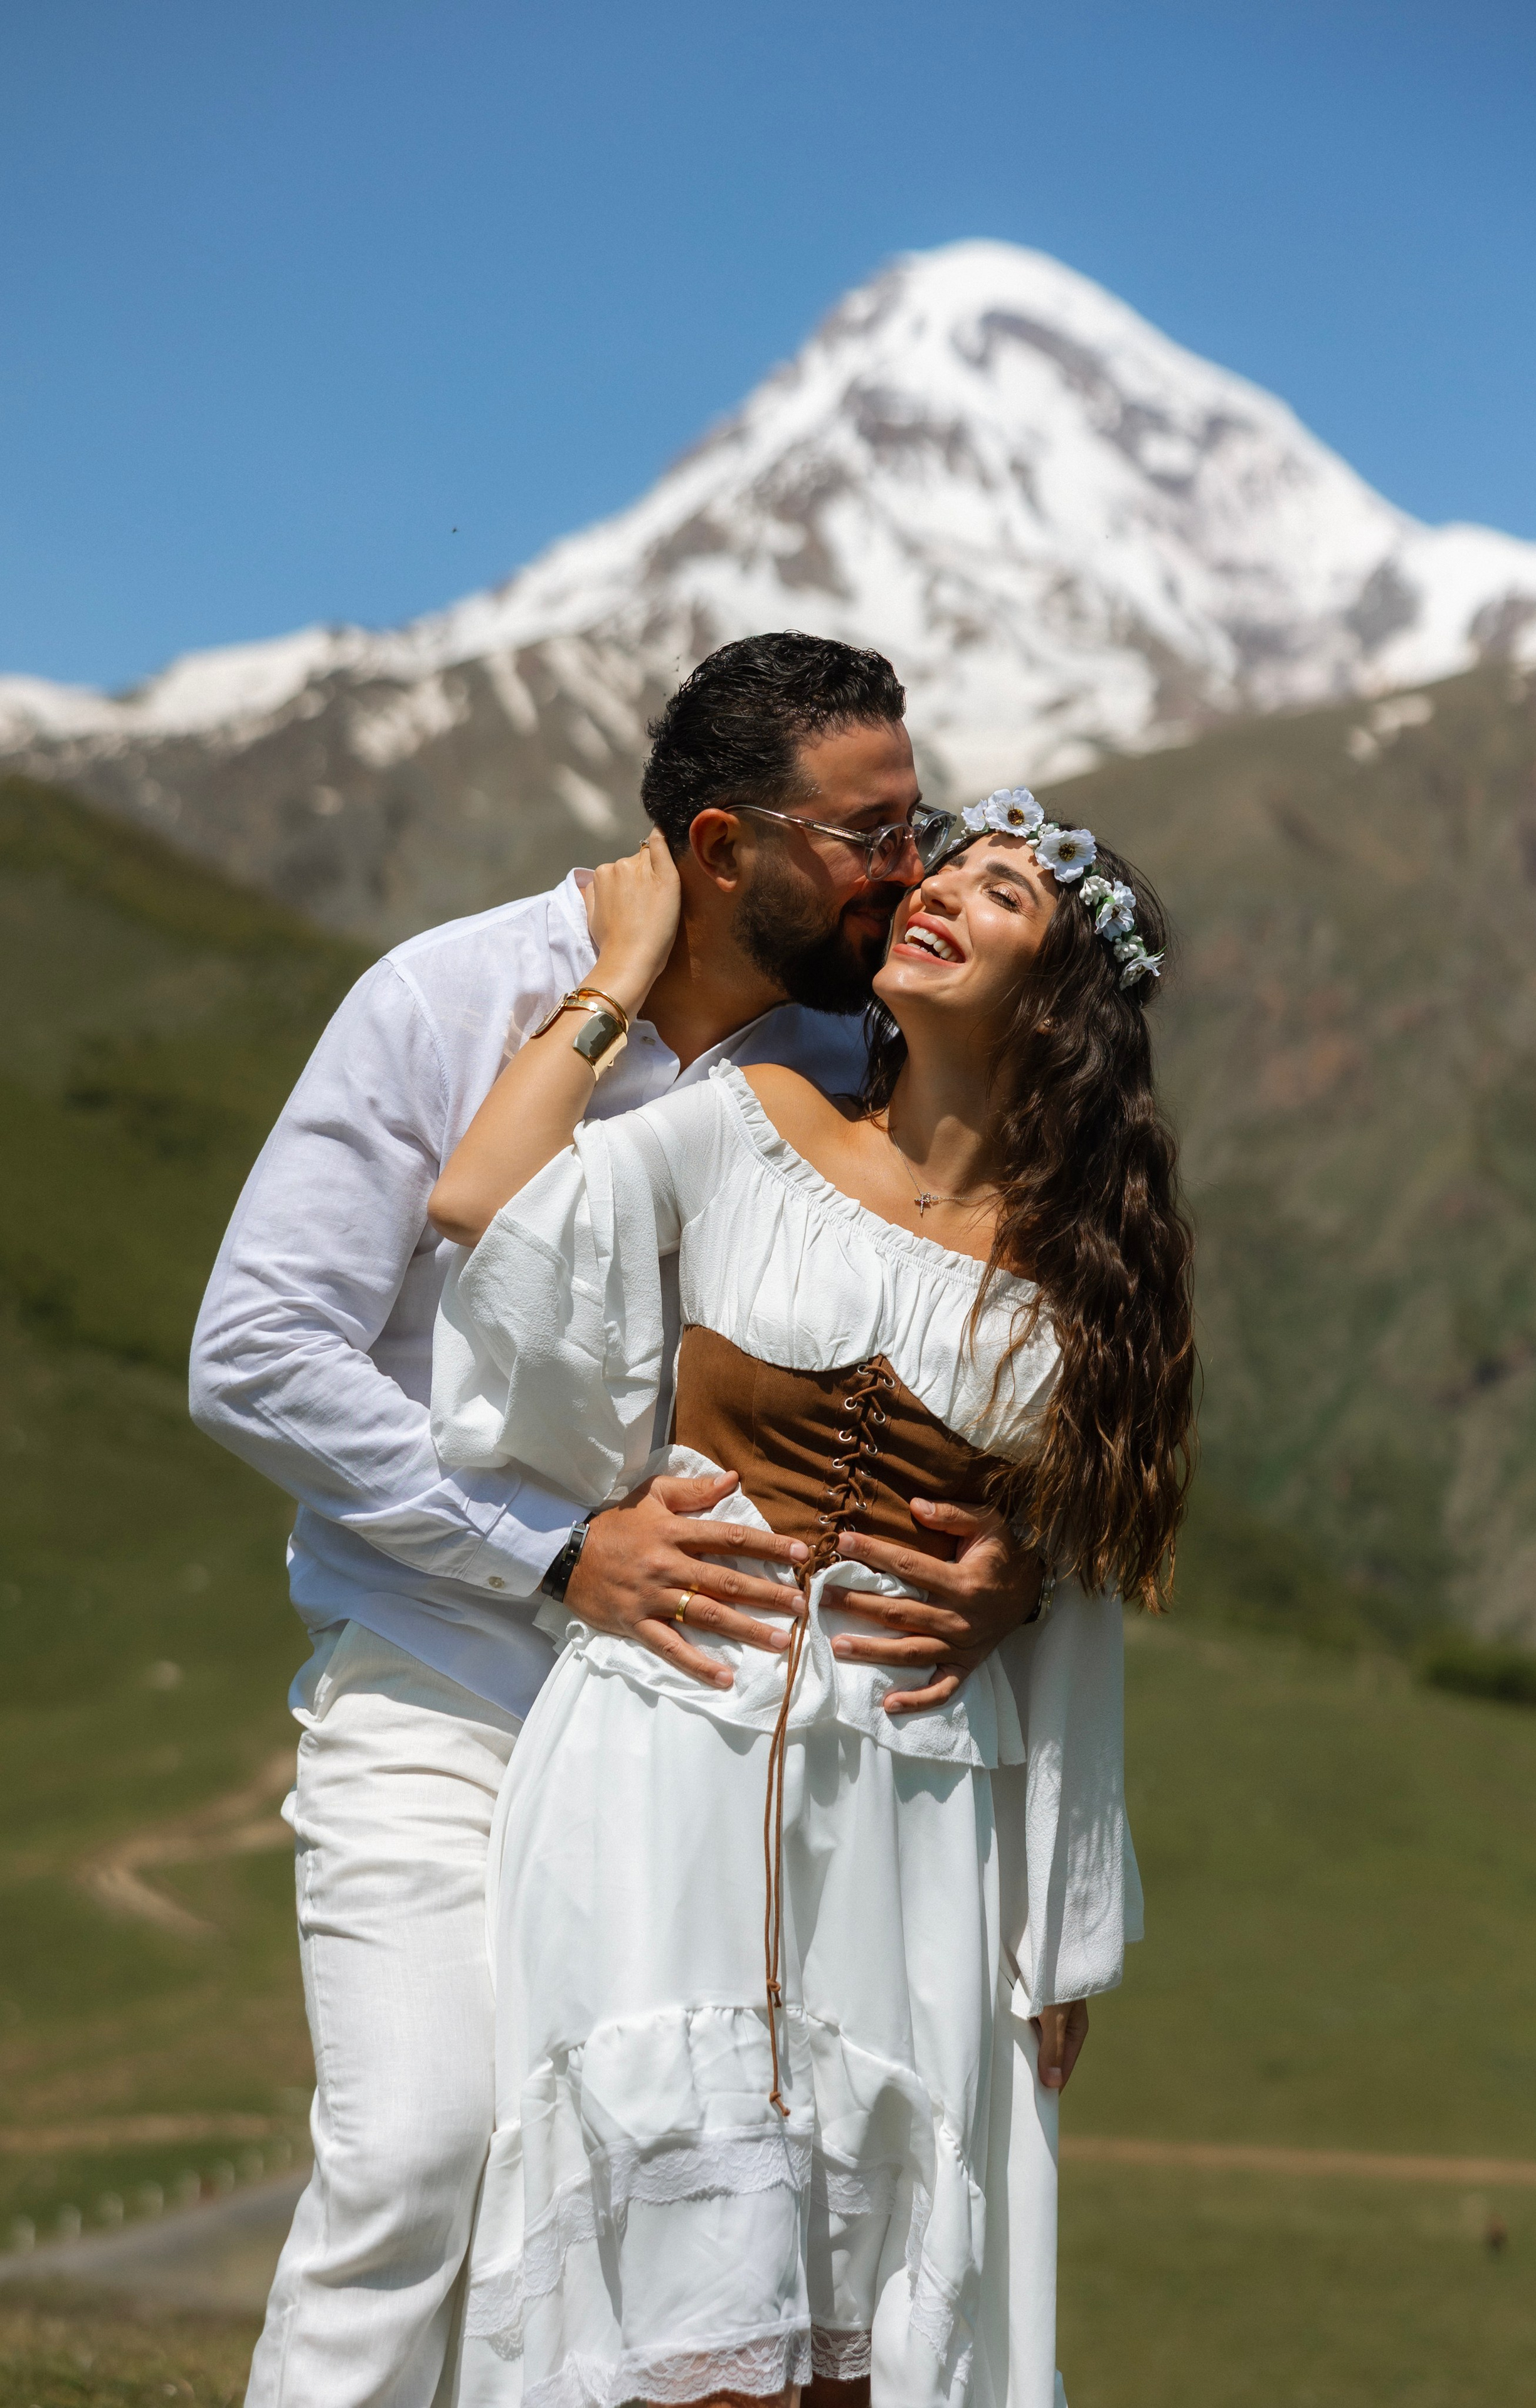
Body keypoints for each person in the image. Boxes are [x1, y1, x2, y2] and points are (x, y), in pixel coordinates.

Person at [188, 634, 1046, 2407]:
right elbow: (257, 1353)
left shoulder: (874, 1057)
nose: (914, 869)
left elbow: (987, 1325)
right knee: (417, 2158)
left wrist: (1016, 1560)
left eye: (924, 823)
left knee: (652, 2226)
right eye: (873, 834)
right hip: (442, 1687)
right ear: (728, 850)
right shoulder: (448, 992)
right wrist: (555, 1553)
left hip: (708, 1743)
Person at [426, 791, 1193, 2407]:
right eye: (947, 875)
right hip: (662, 1764)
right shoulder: (744, 1121)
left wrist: (1057, 1931)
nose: (944, 902)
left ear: (1058, 1006)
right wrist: (619, 978)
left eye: (1003, 901)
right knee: (674, 2308)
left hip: (913, 1828)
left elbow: (1079, 1623)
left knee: (859, 2332)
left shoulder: (1075, 1292)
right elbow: (483, 1203)